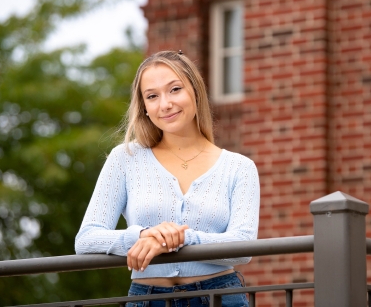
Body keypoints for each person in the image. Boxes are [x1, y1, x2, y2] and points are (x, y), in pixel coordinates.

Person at [75, 50, 260, 307]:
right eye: (152, 96)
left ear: (195, 91)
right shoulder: (125, 158)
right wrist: (143, 236)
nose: (165, 104)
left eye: (175, 90)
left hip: (220, 298)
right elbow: (86, 239)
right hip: (148, 298)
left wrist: (182, 238)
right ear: (145, 108)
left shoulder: (239, 167)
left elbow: (244, 246)